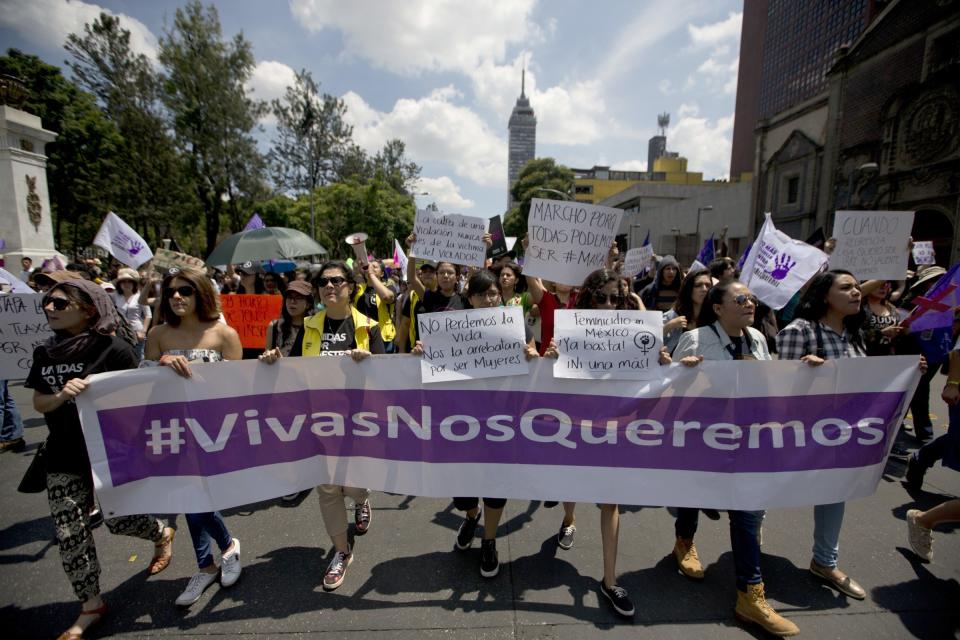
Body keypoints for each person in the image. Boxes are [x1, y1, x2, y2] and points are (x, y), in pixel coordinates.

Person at [25, 279, 175, 640]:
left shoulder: (115, 349)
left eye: (60, 304)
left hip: (110, 453)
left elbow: (140, 398)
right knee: (69, 533)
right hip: (63, 455)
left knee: (120, 522)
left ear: (88, 309)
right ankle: (91, 604)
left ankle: (160, 533)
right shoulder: (44, 353)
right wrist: (61, 394)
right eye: (47, 303)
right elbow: (39, 403)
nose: (50, 309)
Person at [674, 280, 799, 637]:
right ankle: (684, 541)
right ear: (717, 308)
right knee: (693, 495)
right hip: (704, 438)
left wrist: (807, 371)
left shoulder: (758, 339)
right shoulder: (698, 340)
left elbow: (770, 384)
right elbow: (675, 390)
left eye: (752, 299)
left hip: (748, 441)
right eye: (741, 299)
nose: (750, 304)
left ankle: (750, 594)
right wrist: (685, 372)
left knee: (747, 513)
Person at [261, 260, 383, 591]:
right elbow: (295, 371)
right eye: (324, 282)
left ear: (351, 287)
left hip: (360, 423)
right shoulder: (308, 326)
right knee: (328, 488)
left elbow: (387, 375)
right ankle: (342, 552)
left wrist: (369, 363)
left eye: (337, 281)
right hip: (320, 421)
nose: (330, 286)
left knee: (354, 485)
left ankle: (361, 500)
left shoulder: (368, 327)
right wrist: (274, 362)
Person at [412, 270, 538, 579]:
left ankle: (490, 540)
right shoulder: (451, 329)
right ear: (470, 299)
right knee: (463, 489)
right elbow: (432, 361)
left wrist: (531, 353)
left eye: (493, 293)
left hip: (501, 419)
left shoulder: (515, 323)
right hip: (462, 419)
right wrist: (420, 352)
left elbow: (533, 353)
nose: (489, 299)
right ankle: (471, 514)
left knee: (495, 484)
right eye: (481, 294)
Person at [776, 270, 890, 602]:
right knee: (766, 489)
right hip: (798, 433)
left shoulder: (854, 334)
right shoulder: (800, 331)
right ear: (826, 296)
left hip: (839, 434)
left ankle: (825, 562)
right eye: (847, 288)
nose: (857, 292)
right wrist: (807, 372)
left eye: (857, 287)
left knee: (833, 491)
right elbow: (777, 387)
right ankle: (747, 546)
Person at [145, 268, 243, 607]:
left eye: (185, 290)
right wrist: (159, 363)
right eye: (170, 291)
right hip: (172, 428)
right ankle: (211, 560)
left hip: (215, 429)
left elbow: (240, 389)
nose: (176, 296)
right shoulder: (157, 335)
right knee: (190, 496)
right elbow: (139, 385)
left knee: (197, 498)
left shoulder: (224, 334)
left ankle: (223, 550)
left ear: (200, 293)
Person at [663, 269, 711, 355]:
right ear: (688, 288)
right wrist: (668, 326)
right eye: (698, 285)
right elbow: (651, 342)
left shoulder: (716, 318)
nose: (704, 289)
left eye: (708, 285)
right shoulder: (672, 316)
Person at [354, 259, 398, 352]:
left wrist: (371, 275)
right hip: (362, 337)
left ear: (382, 274)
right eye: (369, 266)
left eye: (374, 267)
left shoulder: (388, 287)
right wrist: (357, 269)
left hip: (383, 338)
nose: (370, 268)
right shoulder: (359, 288)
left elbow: (386, 297)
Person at [112, 268, 152, 360]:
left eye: (129, 281)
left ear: (134, 284)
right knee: (121, 357)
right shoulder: (115, 296)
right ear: (119, 284)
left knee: (138, 357)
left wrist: (143, 331)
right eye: (123, 282)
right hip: (120, 332)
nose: (126, 284)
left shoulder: (140, 296)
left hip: (137, 332)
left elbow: (148, 315)